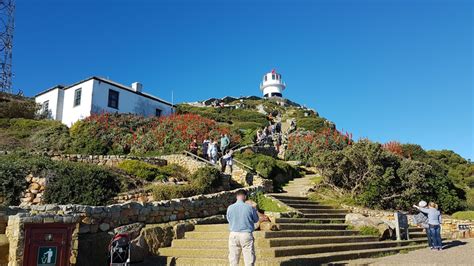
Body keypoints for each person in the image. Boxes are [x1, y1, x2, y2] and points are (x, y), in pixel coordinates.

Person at [226, 190, 259, 266]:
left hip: (233, 233)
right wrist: (255, 209)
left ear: (236, 196)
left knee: (233, 258)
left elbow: (229, 219)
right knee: (249, 258)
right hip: (246, 234)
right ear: (245, 196)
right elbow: (256, 220)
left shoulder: (230, 208)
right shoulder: (250, 208)